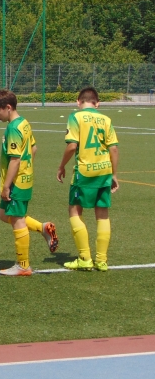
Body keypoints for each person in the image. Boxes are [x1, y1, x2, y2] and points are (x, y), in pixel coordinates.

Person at [0, 90, 59, 276]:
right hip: (24, 178)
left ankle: (23, 265)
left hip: (16, 182)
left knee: (17, 220)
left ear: (8, 107)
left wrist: (7, 185)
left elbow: (15, 159)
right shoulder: (24, 123)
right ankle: (43, 228)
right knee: (4, 214)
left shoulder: (13, 128)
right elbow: (34, 148)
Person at [58, 86, 120, 271]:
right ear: (97, 103)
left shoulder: (75, 117)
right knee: (102, 214)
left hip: (84, 172)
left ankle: (84, 258)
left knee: (75, 211)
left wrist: (61, 166)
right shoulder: (106, 119)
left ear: (78, 102)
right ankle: (101, 260)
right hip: (104, 172)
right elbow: (114, 149)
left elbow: (71, 146)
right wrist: (114, 174)